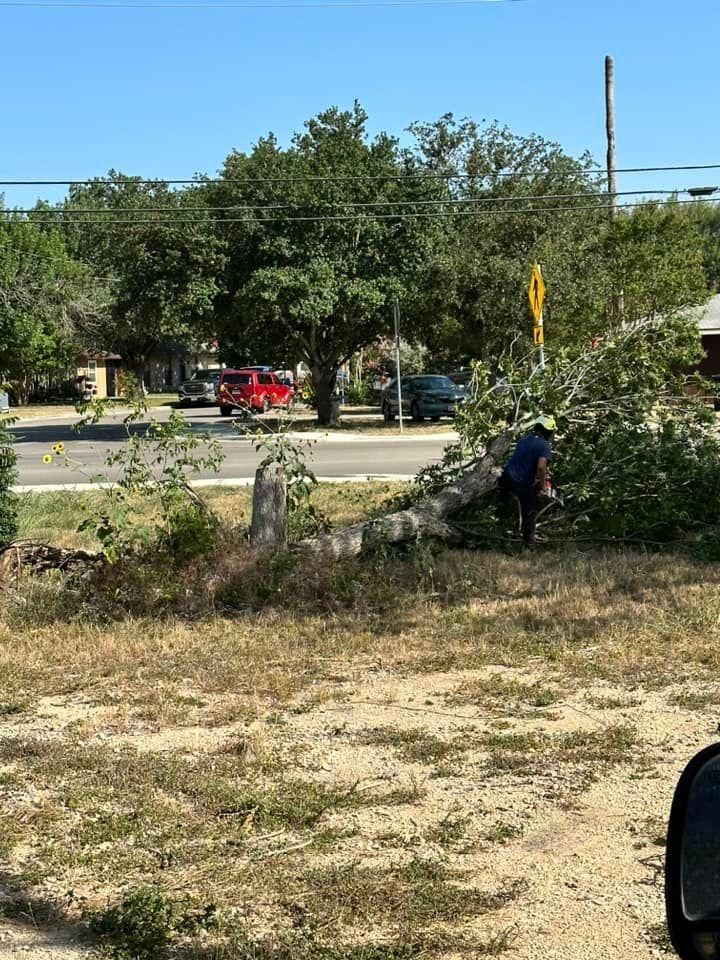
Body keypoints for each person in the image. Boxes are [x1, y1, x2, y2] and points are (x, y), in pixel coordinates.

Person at [499, 415, 556, 546]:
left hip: (506, 478)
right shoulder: (544, 445)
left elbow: (524, 463)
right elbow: (541, 467)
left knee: (503, 504)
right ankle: (529, 542)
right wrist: (543, 486)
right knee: (529, 512)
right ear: (548, 431)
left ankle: (502, 521)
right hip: (521, 484)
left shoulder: (523, 440)